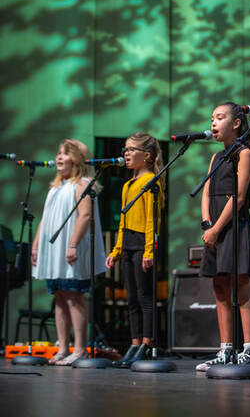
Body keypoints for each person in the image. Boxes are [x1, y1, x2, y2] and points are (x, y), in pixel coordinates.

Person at [196, 102, 250, 372]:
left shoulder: (243, 153)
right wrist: (206, 224)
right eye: (212, 118)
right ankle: (225, 349)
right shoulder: (216, 157)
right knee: (219, 287)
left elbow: (239, 198)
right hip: (214, 227)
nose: (213, 123)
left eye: (220, 118)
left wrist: (216, 228)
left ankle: (249, 349)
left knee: (241, 287)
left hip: (233, 226)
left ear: (236, 123)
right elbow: (205, 192)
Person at [32, 138, 106, 366]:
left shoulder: (82, 183)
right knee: (59, 297)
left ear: (76, 158)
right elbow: (46, 219)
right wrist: (36, 246)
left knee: (74, 296)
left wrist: (73, 244)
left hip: (70, 248)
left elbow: (85, 216)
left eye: (64, 154)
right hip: (53, 251)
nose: (58, 158)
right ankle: (63, 348)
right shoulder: (57, 187)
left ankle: (80, 349)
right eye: (58, 153)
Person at [105, 133, 164, 368]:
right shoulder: (128, 185)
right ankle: (134, 341)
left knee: (144, 297)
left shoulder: (152, 181)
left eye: (132, 150)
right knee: (131, 298)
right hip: (128, 243)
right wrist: (117, 250)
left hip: (142, 243)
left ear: (147, 156)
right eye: (125, 150)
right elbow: (123, 220)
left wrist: (149, 250)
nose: (126, 154)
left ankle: (147, 343)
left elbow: (152, 220)